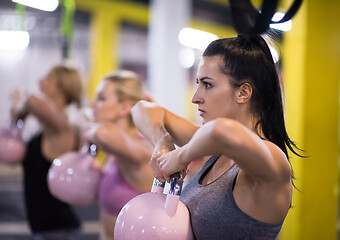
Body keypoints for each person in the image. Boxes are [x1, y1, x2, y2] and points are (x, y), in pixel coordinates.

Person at [131, 34, 301, 240]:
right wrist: (162, 142)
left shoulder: (272, 160)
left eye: (207, 84)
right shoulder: (214, 148)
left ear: (243, 93)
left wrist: (179, 157)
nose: (195, 97)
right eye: (197, 83)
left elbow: (221, 132)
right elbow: (142, 109)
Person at [11, 64, 83, 240]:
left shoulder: (63, 129)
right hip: (47, 230)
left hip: (59, 232)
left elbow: (32, 101)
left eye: (48, 78)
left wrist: (21, 107)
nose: (40, 81)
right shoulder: (47, 130)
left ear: (62, 87)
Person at [81, 70, 153, 240]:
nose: (92, 104)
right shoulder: (114, 150)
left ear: (124, 108)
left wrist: (88, 132)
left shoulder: (140, 149)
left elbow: (102, 133)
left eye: (101, 98)